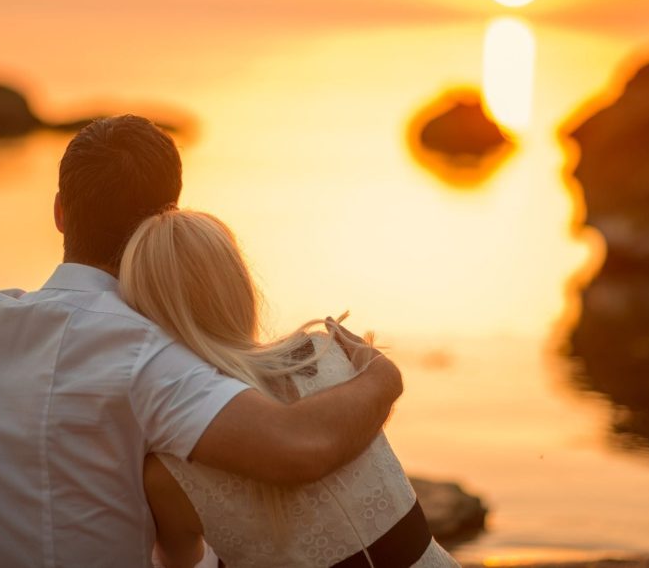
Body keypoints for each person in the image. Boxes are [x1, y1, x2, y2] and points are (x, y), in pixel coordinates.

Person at [0, 115, 403, 567]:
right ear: (167, 221)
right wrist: (383, 375)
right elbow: (299, 446)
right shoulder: (144, 354)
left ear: (60, 213)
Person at [119, 209, 459, 568]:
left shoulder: (165, 476)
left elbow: (181, 564)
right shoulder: (330, 353)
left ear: (143, 316)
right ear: (240, 285)